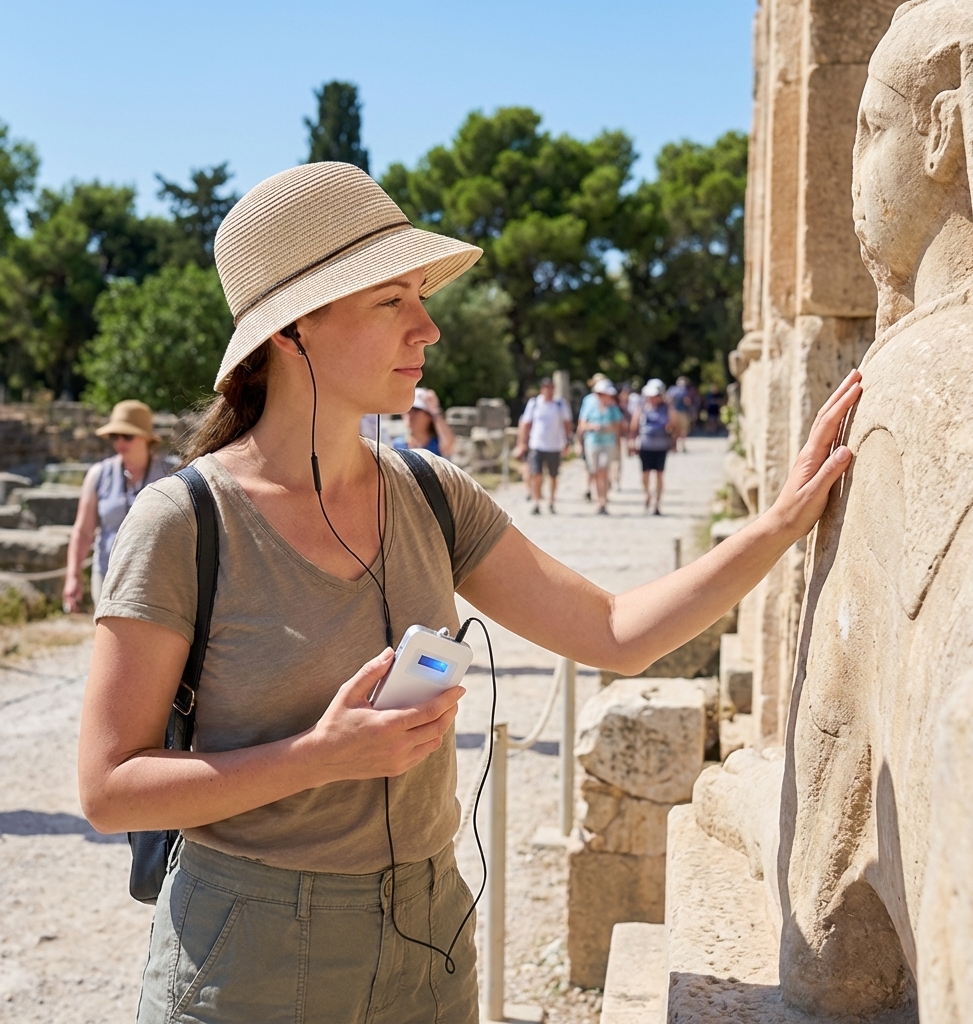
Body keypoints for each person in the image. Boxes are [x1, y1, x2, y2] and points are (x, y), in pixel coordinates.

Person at [76, 161, 859, 1024]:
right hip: (245, 958)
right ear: (294, 328)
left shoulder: (434, 494)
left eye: (420, 296)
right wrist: (318, 758)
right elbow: (109, 788)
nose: (429, 327)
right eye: (393, 300)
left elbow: (615, 632)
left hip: (431, 939)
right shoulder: (183, 522)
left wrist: (778, 525)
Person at [63, 400, 168, 612]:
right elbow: (83, 531)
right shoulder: (99, 474)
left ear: (146, 438)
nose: (120, 441)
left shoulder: (170, 473)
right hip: (107, 573)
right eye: (114, 436)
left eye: (127, 435)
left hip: (157, 577)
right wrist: (73, 576)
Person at [513, 377, 573, 514]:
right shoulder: (534, 403)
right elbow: (525, 424)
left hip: (554, 445)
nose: (549, 390)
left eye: (551, 387)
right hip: (537, 444)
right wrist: (522, 442)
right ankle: (536, 501)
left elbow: (567, 423)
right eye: (546, 388)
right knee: (536, 474)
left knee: (553, 475)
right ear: (542, 389)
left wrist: (567, 441)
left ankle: (551, 501)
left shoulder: (560, 404)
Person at [629, 379, 678, 515]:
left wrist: (670, 405)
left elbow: (674, 424)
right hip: (645, 445)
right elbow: (634, 426)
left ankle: (657, 502)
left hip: (661, 446)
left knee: (659, 475)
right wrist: (632, 442)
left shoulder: (666, 408)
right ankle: (647, 495)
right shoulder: (642, 407)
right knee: (645, 475)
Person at [577, 379, 624, 515]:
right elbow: (582, 424)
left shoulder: (613, 406)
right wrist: (592, 427)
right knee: (596, 472)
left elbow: (619, 426)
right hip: (593, 442)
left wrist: (616, 441)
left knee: (603, 470)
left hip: (608, 443)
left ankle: (603, 500)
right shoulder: (589, 403)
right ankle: (600, 500)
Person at [392, 386, 456, 458]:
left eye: (416, 410)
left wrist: (435, 411)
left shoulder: (436, 445)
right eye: (407, 409)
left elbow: (449, 446)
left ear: (429, 416)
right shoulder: (397, 444)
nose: (409, 414)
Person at [578, 374, 608, 501]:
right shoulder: (588, 400)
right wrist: (579, 442)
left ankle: (602, 494)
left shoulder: (609, 399)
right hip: (590, 438)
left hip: (606, 441)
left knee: (602, 468)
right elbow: (582, 421)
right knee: (590, 467)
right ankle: (589, 489)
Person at [666, 375, 694, 452]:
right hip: (682, 413)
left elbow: (668, 400)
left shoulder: (672, 390)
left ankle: (673, 447)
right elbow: (687, 401)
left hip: (672, 413)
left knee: (674, 431)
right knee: (683, 431)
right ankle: (683, 447)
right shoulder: (685, 391)